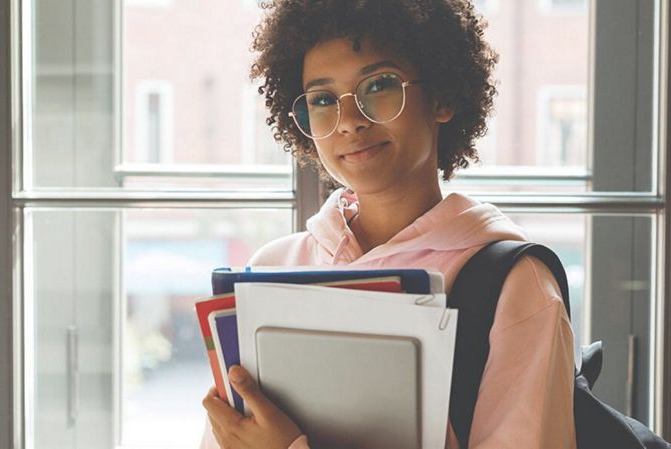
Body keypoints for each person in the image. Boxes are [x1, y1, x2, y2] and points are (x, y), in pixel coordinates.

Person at [200, 1, 577, 448]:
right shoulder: (271, 269)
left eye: (378, 85)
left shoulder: (515, 287)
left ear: (442, 96)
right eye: (322, 100)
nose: (351, 121)